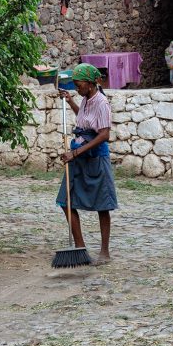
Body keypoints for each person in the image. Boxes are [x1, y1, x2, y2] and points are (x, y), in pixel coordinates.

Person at [57, 63, 118, 265]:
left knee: (102, 205)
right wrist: (71, 100)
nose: (77, 87)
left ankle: (105, 252)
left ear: (91, 84)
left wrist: (75, 153)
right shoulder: (85, 99)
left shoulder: (102, 103)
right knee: (65, 201)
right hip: (78, 156)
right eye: (74, 84)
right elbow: (83, 119)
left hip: (95, 158)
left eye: (79, 84)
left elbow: (104, 134)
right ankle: (80, 247)